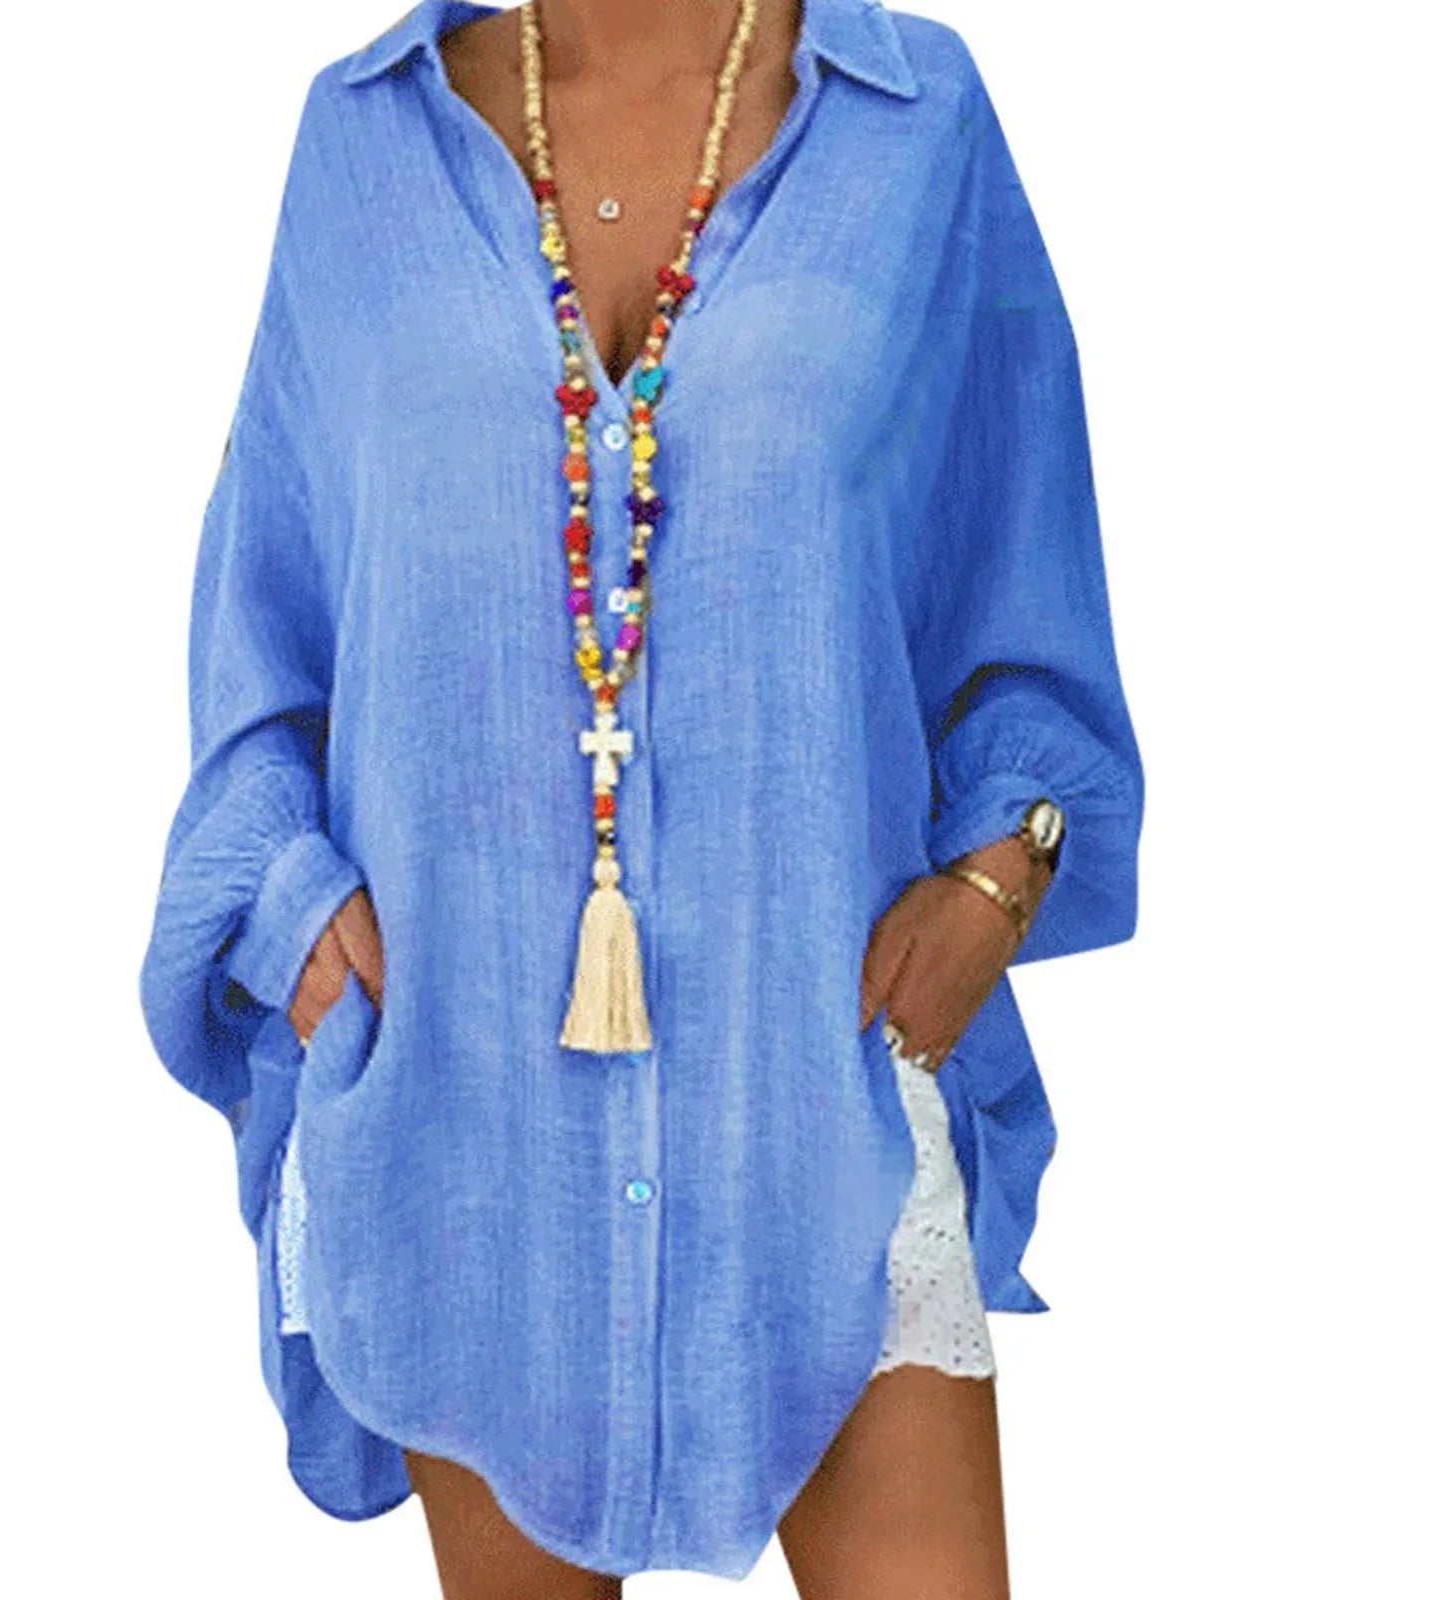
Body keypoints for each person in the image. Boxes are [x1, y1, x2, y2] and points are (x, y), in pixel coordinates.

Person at [138, 1, 1144, 1595]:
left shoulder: (915, 121)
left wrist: (994, 882)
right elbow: (264, 619)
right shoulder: (363, 141)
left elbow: (1027, 571)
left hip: (823, 1090)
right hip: (470, 1115)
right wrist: (294, 912)